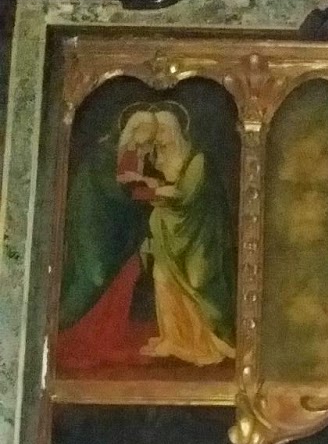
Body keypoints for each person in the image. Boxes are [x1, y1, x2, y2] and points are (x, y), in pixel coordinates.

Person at [56, 107, 161, 371]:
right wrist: (147, 191)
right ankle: (71, 333)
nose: (148, 139)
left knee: (128, 273)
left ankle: (107, 339)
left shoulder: (139, 155)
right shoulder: (105, 153)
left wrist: (146, 188)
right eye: (146, 132)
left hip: (121, 230)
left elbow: (133, 190)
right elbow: (112, 190)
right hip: (95, 225)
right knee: (95, 276)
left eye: (152, 134)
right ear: (133, 128)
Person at [140, 106, 236, 367]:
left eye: (162, 130)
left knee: (198, 280)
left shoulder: (197, 160)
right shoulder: (158, 157)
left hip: (200, 231)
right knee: (162, 277)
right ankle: (174, 339)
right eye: (155, 131)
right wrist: (155, 190)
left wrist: (157, 192)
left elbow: (186, 195)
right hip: (168, 233)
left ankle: (212, 341)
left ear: (174, 130)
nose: (158, 136)